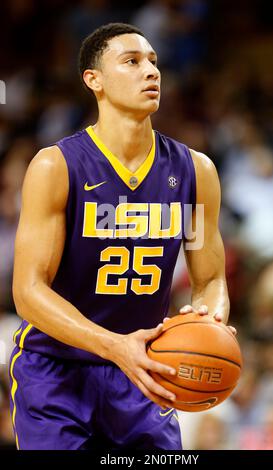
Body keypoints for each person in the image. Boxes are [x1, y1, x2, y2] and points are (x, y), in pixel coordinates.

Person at [10, 23, 234, 450]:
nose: (150, 71)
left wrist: (208, 319)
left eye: (153, 62)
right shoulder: (55, 166)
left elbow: (210, 280)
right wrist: (115, 347)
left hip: (145, 370)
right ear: (93, 80)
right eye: (131, 62)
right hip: (57, 371)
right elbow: (28, 290)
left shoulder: (196, 170)